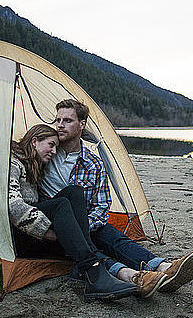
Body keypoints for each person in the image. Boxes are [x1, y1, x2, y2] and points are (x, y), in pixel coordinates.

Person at [40, 100, 193, 294]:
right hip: (56, 222)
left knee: (112, 237)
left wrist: (84, 224)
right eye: (58, 120)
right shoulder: (46, 150)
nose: (60, 125)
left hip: (85, 221)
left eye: (67, 120)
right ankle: (133, 276)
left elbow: (101, 206)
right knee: (88, 242)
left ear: (82, 124)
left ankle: (162, 268)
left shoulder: (93, 163)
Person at [9, 124, 167, 300]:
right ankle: (93, 270)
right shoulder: (14, 163)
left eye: (56, 147)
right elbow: (13, 205)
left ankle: (93, 264)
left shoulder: (35, 166)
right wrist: (49, 232)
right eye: (51, 145)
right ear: (34, 142)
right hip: (22, 237)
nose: (54, 152)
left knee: (75, 192)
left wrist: (71, 227)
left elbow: (98, 206)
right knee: (61, 204)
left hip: (41, 230)